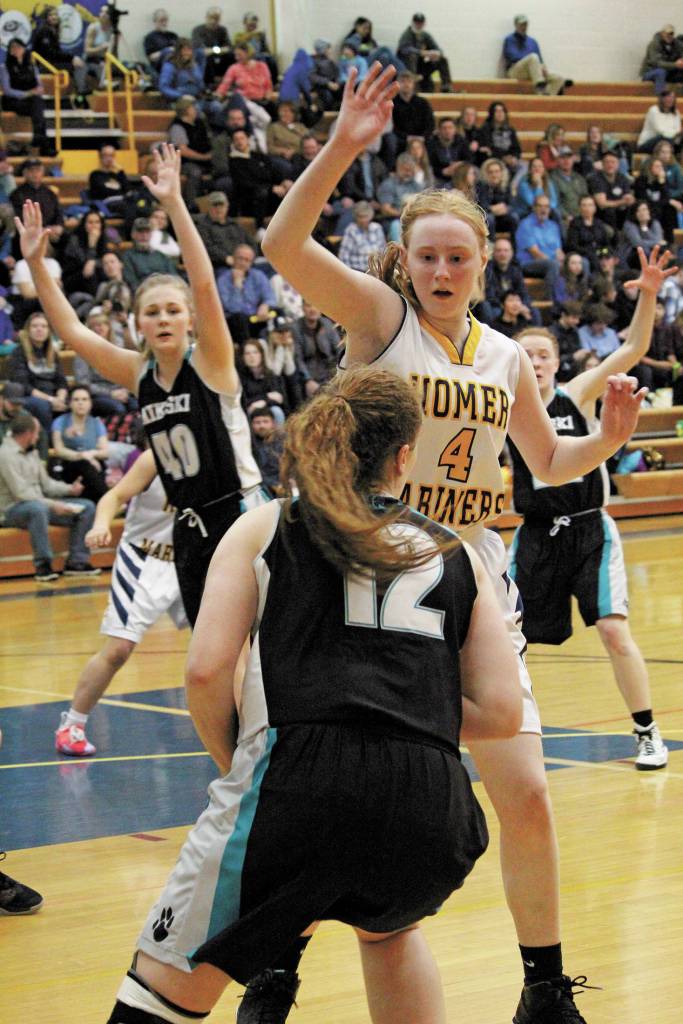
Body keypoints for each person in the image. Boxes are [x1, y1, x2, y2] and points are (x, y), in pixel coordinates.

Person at [256, 63, 648, 1024]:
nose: (440, 272)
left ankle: (545, 988)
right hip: (370, 569)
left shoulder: (508, 353)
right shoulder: (378, 320)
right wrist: (343, 148)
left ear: (483, 265)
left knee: (524, 789)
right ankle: (273, 972)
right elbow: (280, 242)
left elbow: (547, 458)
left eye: (457, 260)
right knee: (323, 785)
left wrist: (608, 439)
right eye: (426, 256)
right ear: (405, 260)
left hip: (469, 570)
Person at [104, 364, 522, 1024]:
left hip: (298, 779)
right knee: (388, 932)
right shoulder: (455, 553)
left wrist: (241, 765)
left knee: (158, 994)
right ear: (404, 456)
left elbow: (206, 672)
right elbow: (502, 713)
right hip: (431, 803)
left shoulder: (268, 525)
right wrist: (404, 715)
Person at [16, 144, 267, 625]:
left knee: (239, 656)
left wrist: (174, 205)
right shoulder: (139, 373)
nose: (164, 318)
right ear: (139, 326)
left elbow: (205, 284)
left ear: (191, 320)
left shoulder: (211, 362)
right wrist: (35, 265)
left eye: (174, 310)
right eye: (153, 313)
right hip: (189, 526)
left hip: (240, 515)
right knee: (206, 666)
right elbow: (71, 330)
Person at [507, 247, 675, 770]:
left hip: (588, 530)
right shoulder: (501, 409)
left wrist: (647, 293)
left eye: (542, 355)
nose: (534, 362)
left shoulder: (574, 396)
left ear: (556, 363)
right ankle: (513, 731)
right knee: (502, 635)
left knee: (611, 629)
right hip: (534, 535)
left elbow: (635, 347)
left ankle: (647, 731)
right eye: (525, 355)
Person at [54, 448, 188, 757]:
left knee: (230, 647)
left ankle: (254, 724)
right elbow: (112, 497)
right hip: (143, 556)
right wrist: (101, 524)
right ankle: (72, 724)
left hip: (190, 561)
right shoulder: (156, 458)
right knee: (118, 649)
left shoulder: (220, 453)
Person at [0, 410, 99, 581]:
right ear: (28, 434)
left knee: (87, 507)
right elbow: (21, 493)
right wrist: (52, 505)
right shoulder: (5, 455)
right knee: (37, 509)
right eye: (37, 433)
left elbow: (47, 485)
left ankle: (77, 562)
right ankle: (43, 565)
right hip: (12, 510)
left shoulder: (32, 452)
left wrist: (69, 489)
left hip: (40, 504)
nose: (38, 437)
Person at [6, 312, 67, 430]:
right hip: (29, 398)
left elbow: (61, 381)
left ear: (49, 331)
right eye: (35, 326)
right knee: (42, 405)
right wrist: (50, 400)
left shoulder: (53, 353)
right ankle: (48, 444)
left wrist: (61, 398)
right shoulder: (19, 352)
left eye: (44, 326)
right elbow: (23, 385)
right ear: (28, 330)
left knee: (77, 402)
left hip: (52, 396)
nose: (39, 329)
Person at [51, 384, 109, 502]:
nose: (80, 403)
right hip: (69, 467)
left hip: (93, 469)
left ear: (90, 403)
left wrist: (91, 454)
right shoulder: (60, 422)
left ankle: (103, 502)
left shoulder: (97, 423)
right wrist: (81, 456)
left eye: (84, 399)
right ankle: (108, 501)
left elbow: (105, 452)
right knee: (84, 464)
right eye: (76, 400)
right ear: (70, 403)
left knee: (95, 467)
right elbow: (59, 450)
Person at [0, 38, 51, 156]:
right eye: (13, 47)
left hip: (30, 101)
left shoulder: (32, 66)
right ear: (10, 51)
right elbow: (8, 90)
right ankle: (43, 143)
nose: (16, 50)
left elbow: (40, 85)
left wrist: (37, 91)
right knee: (37, 106)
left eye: (18, 47)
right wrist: (27, 93)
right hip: (12, 101)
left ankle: (40, 140)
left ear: (24, 49)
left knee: (37, 103)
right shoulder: (4, 67)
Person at [502, 15, 570, 96]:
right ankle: (539, 85)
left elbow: (540, 60)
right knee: (533, 57)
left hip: (533, 71)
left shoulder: (533, 42)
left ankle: (544, 99)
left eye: (525, 24)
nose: (524, 27)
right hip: (515, 71)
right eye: (521, 25)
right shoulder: (510, 39)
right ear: (515, 25)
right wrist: (532, 61)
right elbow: (513, 57)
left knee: (559, 79)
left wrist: (543, 67)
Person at [515, 194, 565, 298]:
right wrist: (557, 263)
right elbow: (535, 253)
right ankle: (550, 299)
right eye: (540, 206)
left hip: (551, 263)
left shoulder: (553, 226)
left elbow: (558, 251)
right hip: (529, 264)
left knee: (579, 262)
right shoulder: (525, 225)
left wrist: (565, 262)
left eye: (546, 206)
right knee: (553, 265)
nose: (543, 209)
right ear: (534, 208)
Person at [396, 12, 452, 92]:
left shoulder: (425, 35)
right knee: (412, 56)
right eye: (417, 23)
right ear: (413, 23)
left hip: (422, 67)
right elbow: (404, 49)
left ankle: (446, 86)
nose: (419, 25)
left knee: (442, 59)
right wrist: (422, 52)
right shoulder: (406, 35)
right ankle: (413, 82)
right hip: (408, 68)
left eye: (421, 23)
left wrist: (435, 54)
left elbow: (438, 49)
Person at [122, 218, 177, 292]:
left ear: (151, 235)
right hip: (143, 293)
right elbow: (131, 281)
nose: (144, 236)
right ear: (133, 235)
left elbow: (173, 277)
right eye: (140, 232)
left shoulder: (161, 256)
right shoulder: (128, 256)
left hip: (165, 291)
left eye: (147, 232)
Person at [338, 200, 386, 271]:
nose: (363, 220)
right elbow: (343, 256)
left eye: (365, 216)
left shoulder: (377, 228)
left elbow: (383, 252)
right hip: (357, 271)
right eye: (360, 217)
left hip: (376, 271)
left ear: (371, 216)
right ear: (356, 217)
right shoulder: (351, 230)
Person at [191, 7, 233, 86]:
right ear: (206, 17)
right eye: (211, 18)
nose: (213, 21)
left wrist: (214, 50)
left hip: (219, 56)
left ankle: (227, 82)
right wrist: (218, 50)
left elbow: (229, 47)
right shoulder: (197, 30)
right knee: (204, 55)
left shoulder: (222, 30)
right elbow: (201, 50)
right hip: (204, 57)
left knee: (231, 55)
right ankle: (209, 84)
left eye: (216, 18)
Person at [640, 25, 683, 95]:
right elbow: (657, 63)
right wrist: (675, 65)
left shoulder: (676, 44)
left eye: (671, 34)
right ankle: (660, 100)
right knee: (660, 72)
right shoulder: (654, 44)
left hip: (668, 72)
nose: (669, 36)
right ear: (662, 33)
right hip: (651, 72)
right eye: (667, 33)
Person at [637, 88, 682, 155]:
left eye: (673, 97)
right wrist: (676, 132)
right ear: (662, 98)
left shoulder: (676, 113)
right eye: (668, 97)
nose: (671, 99)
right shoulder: (654, 110)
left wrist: (677, 133)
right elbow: (660, 130)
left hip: (669, 142)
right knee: (664, 138)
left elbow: (678, 129)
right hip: (648, 143)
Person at [87, 144, 130, 212]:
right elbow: (102, 191)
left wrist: (121, 170)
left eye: (112, 155)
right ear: (100, 157)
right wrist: (117, 191)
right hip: (104, 204)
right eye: (106, 155)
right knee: (129, 206)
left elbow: (127, 190)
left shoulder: (117, 175)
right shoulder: (95, 175)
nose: (109, 159)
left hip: (120, 201)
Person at [144, 9, 178, 78]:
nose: (164, 23)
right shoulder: (150, 37)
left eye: (166, 20)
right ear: (155, 21)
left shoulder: (173, 35)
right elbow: (151, 57)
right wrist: (167, 50)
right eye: (161, 20)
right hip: (159, 66)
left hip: (177, 62)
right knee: (168, 52)